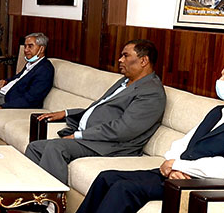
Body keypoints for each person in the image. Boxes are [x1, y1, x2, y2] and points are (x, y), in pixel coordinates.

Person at [47, 55, 224, 213]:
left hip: (204, 187)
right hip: (177, 173)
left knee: (124, 189)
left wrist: (179, 166)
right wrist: (171, 163)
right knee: (107, 177)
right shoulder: (219, 111)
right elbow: (184, 142)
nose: (220, 81)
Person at [23, 39, 166, 187]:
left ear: (143, 61)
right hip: (95, 137)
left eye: (125, 56)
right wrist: (66, 113)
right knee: (35, 147)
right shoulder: (125, 81)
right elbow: (100, 109)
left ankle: (51, 199)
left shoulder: (151, 92)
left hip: (113, 145)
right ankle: (29, 194)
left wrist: (79, 135)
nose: (120, 60)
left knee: (56, 148)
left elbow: (124, 129)